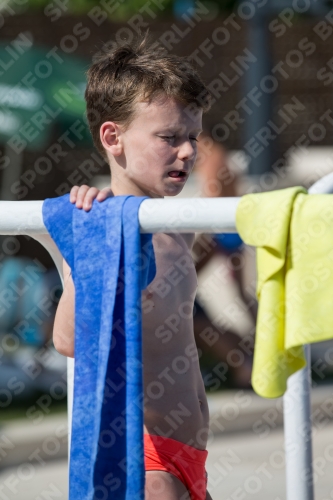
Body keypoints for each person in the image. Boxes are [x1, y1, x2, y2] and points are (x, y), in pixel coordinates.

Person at [52, 31, 214, 500]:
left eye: (192, 137)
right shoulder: (101, 228)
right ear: (113, 137)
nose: (187, 151)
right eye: (169, 138)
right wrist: (93, 251)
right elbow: (67, 339)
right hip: (146, 455)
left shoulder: (175, 224)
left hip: (189, 454)